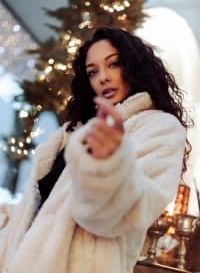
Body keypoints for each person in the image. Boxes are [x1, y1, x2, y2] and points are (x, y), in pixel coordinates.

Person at [0, 27, 192, 273]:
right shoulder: (70, 134)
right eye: (93, 72)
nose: (102, 77)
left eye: (114, 64)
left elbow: (120, 215)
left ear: (135, 66)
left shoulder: (159, 128)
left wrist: (107, 165)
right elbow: (36, 215)